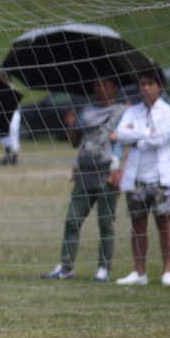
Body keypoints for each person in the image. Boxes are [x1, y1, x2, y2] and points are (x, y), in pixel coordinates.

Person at [42, 77, 126, 282]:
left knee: (105, 223)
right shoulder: (86, 111)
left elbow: (129, 142)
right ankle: (66, 267)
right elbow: (75, 142)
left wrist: (120, 170)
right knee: (72, 220)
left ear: (115, 87)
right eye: (96, 84)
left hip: (107, 173)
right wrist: (71, 125)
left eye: (105, 84)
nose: (100, 88)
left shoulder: (122, 112)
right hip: (85, 173)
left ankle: (103, 268)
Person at [114, 63, 170, 286]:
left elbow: (160, 139)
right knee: (138, 226)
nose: (145, 88)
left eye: (150, 83)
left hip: (160, 177)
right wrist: (145, 134)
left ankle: (167, 271)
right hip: (136, 177)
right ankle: (139, 272)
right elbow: (121, 134)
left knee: (164, 224)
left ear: (159, 86)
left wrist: (137, 135)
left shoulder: (169, 112)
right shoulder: (132, 111)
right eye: (142, 84)